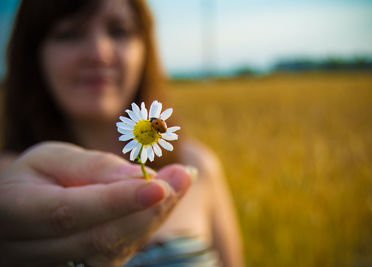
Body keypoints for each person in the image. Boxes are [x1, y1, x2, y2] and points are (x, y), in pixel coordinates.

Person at [0, 0, 244, 266]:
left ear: (145, 48)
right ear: (33, 54)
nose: (99, 53)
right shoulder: (8, 188)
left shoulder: (199, 168)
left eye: (119, 30)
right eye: (70, 33)